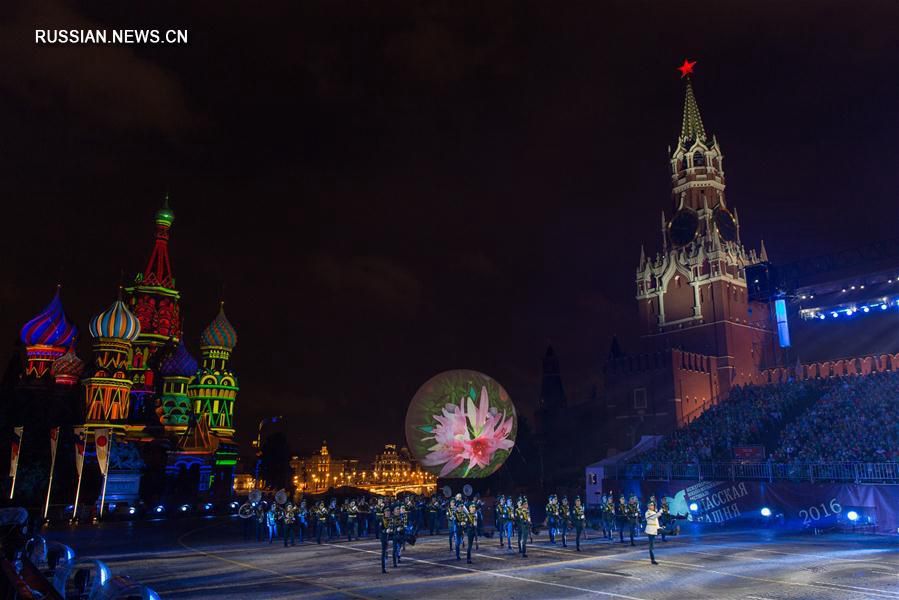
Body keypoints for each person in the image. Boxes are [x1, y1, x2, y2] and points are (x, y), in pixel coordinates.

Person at [379, 504, 392, 573]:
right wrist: (385, 531)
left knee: (387, 551)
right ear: (384, 512)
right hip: (384, 537)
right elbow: (380, 529)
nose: (388, 512)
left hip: (390, 536)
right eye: (386, 511)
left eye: (389, 511)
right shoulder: (382, 519)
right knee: (384, 552)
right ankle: (383, 568)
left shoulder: (391, 518)